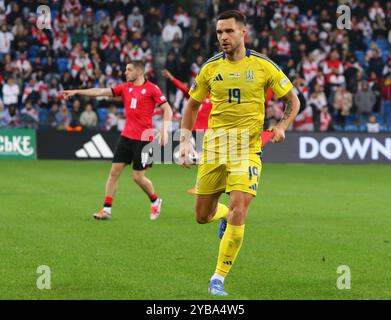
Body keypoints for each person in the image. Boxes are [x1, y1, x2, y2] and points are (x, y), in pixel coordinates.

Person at [178, 10, 300, 296]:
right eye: (219, 32)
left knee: (240, 209)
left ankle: (218, 278)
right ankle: (220, 216)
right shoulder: (209, 68)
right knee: (201, 216)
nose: (223, 37)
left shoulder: (263, 65)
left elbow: (292, 100)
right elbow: (191, 106)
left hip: (247, 149)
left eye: (229, 31)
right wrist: (184, 141)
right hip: (215, 147)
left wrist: (282, 125)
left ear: (243, 33)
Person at [62, 61, 173, 221]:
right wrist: (78, 91)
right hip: (126, 136)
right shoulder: (125, 87)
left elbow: (167, 109)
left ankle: (155, 200)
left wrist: (164, 129)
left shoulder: (152, 89)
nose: (125, 72)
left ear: (139, 72)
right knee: (114, 172)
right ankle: (106, 209)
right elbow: (100, 91)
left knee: (137, 177)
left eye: (129, 70)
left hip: (144, 139)